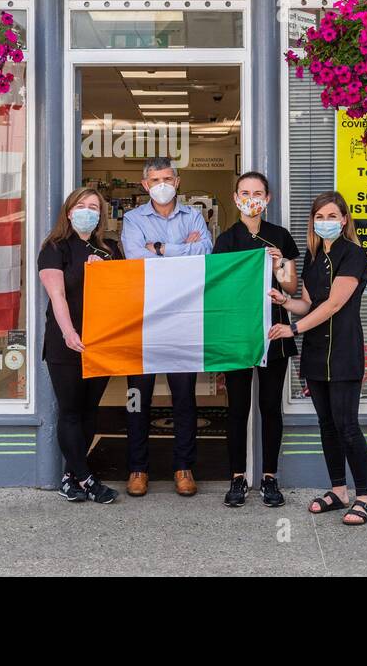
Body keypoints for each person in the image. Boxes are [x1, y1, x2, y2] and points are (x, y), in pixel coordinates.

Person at [267, 191, 367, 527]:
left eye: (332, 216)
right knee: (327, 426)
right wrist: (284, 300)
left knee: (348, 427)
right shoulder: (313, 257)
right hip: (316, 355)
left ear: (344, 220)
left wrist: (293, 329)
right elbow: (310, 304)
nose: (325, 222)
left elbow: (333, 305)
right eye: (320, 217)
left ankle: (365, 498)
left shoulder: (353, 255)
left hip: (343, 352)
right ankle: (339, 491)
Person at [120, 155, 213, 497]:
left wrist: (158, 247)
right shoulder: (132, 219)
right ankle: (137, 468)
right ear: (145, 185)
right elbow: (133, 256)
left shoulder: (195, 215)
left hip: (182, 319)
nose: (161, 185)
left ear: (177, 182)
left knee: (184, 399)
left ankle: (183, 468)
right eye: (154, 179)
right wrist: (181, 249)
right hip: (143, 319)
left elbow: (205, 252)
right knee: (136, 399)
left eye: (167, 178)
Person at [213, 171, 300, 508]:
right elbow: (219, 290)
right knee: (237, 409)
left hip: (273, 331)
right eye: (245, 192)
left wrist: (281, 267)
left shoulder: (279, 236)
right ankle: (237, 477)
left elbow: (292, 289)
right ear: (236, 198)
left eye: (258, 192)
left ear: (268, 199)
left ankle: (269, 478)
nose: (252, 197)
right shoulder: (226, 240)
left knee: (269, 408)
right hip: (237, 334)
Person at [37, 187, 122, 504]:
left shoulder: (109, 248)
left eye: (95, 207)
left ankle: (71, 478)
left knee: (90, 411)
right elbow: (57, 295)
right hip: (66, 342)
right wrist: (69, 332)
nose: (89, 211)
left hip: (102, 341)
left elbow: (122, 292)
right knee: (70, 412)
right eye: (82, 205)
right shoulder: (55, 248)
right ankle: (87, 478)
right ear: (69, 211)